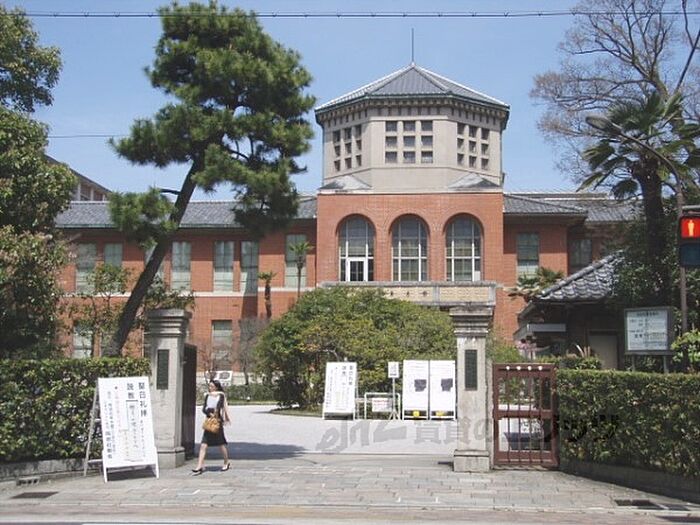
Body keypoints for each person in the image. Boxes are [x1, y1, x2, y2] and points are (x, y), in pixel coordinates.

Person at [191, 379, 231, 475]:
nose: (210, 388)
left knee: (221, 443)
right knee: (204, 444)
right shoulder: (207, 396)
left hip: (217, 421)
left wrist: (214, 412)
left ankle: (226, 462)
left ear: (216, 387)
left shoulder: (221, 395)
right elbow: (204, 408)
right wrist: (208, 412)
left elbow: (220, 406)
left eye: (212, 386)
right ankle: (199, 465)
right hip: (209, 421)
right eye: (209, 386)